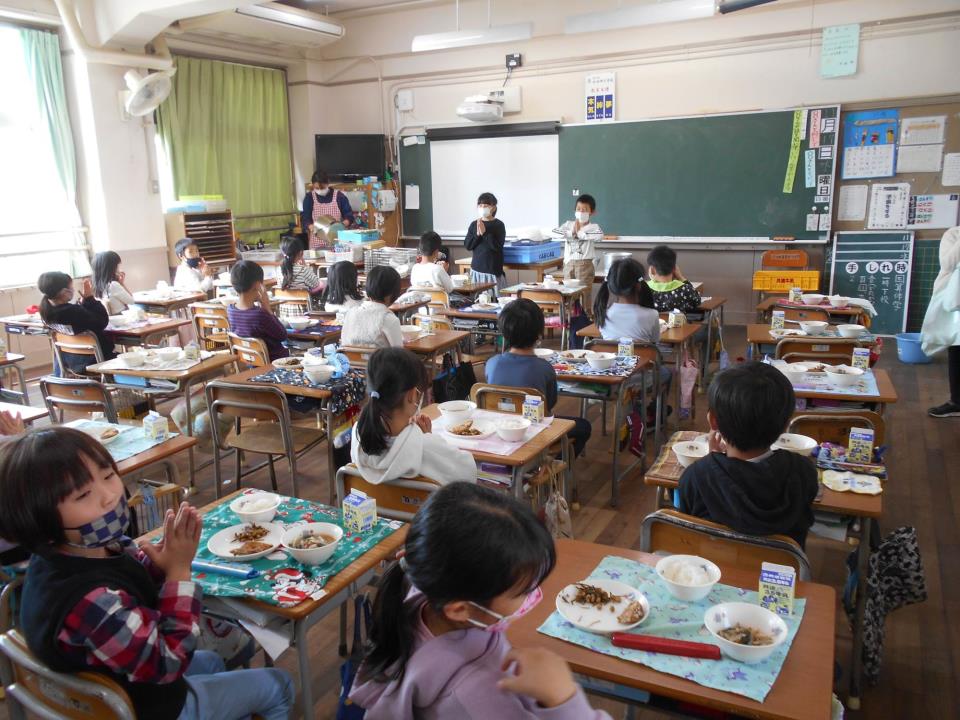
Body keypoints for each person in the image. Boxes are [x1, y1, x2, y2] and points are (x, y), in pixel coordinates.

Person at [0, 427, 294, 720]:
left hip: (120, 681)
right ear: (39, 519)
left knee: (213, 661)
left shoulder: (68, 552)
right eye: (83, 495)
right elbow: (170, 662)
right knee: (278, 686)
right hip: (145, 706)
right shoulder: (92, 602)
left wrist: (159, 563)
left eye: (107, 475)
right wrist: (178, 570)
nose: (109, 497)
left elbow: (123, 571)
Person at [350, 482, 611, 720]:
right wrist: (565, 700)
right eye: (522, 592)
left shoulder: (419, 588)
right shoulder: (480, 697)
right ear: (460, 609)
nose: (534, 596)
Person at [677, 362, 819, 548]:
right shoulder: (803, 471)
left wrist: (713, 462)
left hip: (715, 573)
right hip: (781, 573)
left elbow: (687, 528)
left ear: (713, 421)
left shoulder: (696, 476)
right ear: (786, 426)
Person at [351, 347, 476, 486]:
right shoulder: (426, 446)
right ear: (411, 395)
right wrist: (429, 437)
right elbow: (469, 474)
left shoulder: (358, 435)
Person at [485, 299, 592, 457]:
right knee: (583, 426)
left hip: (499, 430)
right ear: (538, 333)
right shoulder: (544, 367)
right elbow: (550, 403)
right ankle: (553, 468)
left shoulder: (491, 363)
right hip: (534, 433)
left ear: (504, 331)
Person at [38, 271, 116, 373]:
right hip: (96, 361)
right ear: (65, 292)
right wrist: (89, 298)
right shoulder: (73, 312)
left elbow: (80, 319)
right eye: (72, 287)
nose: (73, 289)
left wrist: (83, 305)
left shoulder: (46, 312)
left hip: (70, 362)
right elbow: (102, 321)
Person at [921, 226, 960, 418]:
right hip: (954, 303)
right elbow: (948, 264)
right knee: (956, 349)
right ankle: (957, 402)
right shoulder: (953, 234)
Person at [226, 260, 289, 361]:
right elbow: (282, 335)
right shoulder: (260, 315)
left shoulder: (230, 310)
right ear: (258, 285)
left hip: (251, 361)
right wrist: (266, 307)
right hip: (275, 363)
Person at [553, 193, 603, 310]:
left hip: (584, 265)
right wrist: (571, 233)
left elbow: (599, 236)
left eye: (585, 209)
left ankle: (585, 320)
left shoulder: (594, 227)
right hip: (569, 264)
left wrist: (579, 233)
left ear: (592, 212)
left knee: (584, 294)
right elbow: (555, 232)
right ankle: (570, 320)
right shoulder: (568, 224)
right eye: (578, 209)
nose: (581, 212)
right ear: (574, 210)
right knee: (569, 295)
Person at [341, 266, 403, 349]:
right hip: (382, 361)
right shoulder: (389, 319)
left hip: (351, 361)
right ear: (392, 293)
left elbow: (344, 344)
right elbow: (398, 353)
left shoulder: (350, 313)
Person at [301, 171, 355, 249]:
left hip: (337, 241)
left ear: (328, 183)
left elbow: (349, 216)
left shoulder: (339, 196)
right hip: (317, 242)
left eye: (322, 188)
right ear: (312, 185)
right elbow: (305, 218)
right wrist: (312, 227)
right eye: (316, 188)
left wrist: (340, 226)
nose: (319, 190)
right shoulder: (309, 198)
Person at [464, 192, 506, 292]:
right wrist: (478, 234)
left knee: (493, 300)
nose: (482, 208)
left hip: (492, 271)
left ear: (494, 208)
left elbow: (497, 247)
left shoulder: (499, 225)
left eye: (486, 205)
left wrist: (485, 233)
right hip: (477, 270)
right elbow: (468, 245)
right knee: (477, 299)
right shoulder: (474, 224)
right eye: (480, 205)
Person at [646, 244, 702, 314]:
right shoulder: (684, 289)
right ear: (674, 269)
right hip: (679, 324)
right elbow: (697, 301)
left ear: (652, 270)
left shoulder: (644, 290)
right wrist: (681, 277)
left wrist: (652, 280)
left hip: (652, 324)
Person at [278, 236, 324, 313]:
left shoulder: (279, 270)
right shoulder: (303, 270)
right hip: (303, 313)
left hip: (284, 311)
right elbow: (318, 285)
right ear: (300, 253)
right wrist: (305, 266)